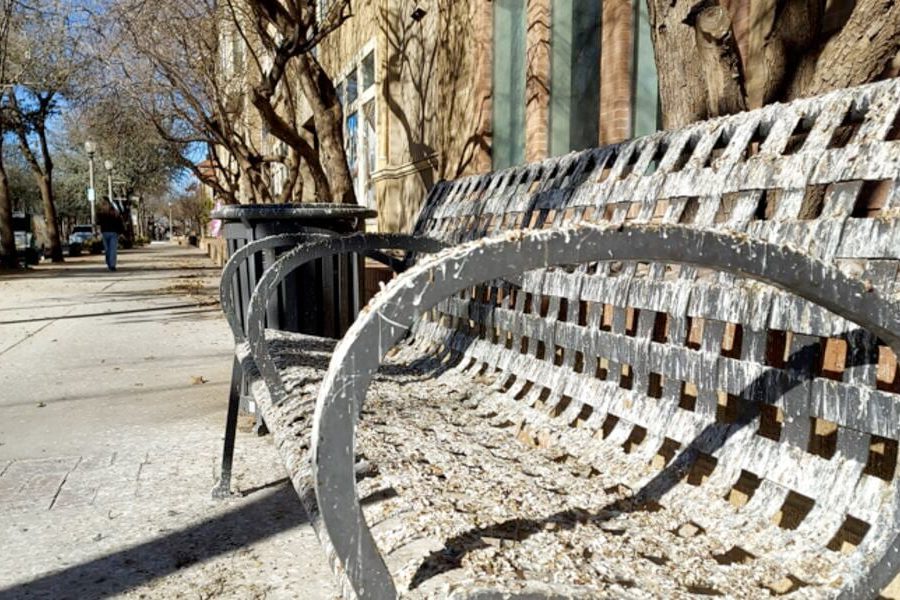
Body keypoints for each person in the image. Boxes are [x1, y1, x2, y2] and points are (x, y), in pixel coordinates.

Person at [97, 198, 124, 272]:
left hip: (113, 233)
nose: (104, 205)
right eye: (103, 204)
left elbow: (119, 223)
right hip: (104, 233)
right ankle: (109, 264)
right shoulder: (100, 214)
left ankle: (112, 265)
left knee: (112, 250)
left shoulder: (115, 213)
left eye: (105, 204)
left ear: (109, 204)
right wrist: (98, 232)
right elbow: (98, 224)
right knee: (107, 250)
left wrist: (121, 232)